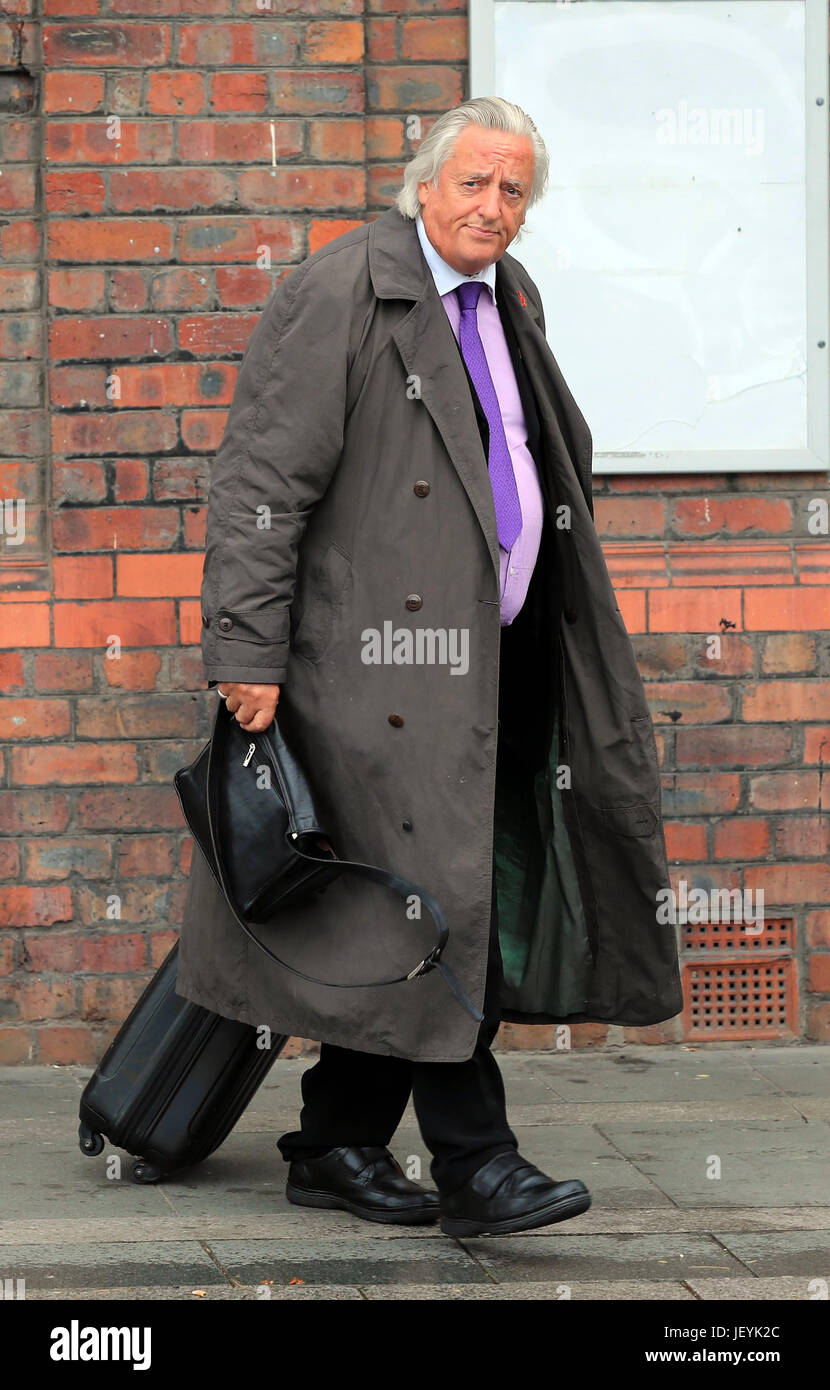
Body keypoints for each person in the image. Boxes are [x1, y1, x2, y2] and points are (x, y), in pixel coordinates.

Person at [176, 96, 683, 1237]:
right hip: (375, 679)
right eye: (474, 184)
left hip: (499, 668)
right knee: (433, 910)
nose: (492, 209)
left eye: (512, 193)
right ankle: (477, 1162)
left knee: (454, 901)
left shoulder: (510, 297)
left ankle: (335, 1141)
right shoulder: (343, 288)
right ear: (424, 184)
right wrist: (244, 650)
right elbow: (261, 485)